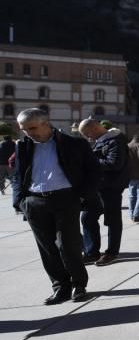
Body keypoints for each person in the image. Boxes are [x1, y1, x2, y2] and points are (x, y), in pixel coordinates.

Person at [12, 108, 100, 304]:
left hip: (65, 199)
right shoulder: (23, 146)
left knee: (68, 246)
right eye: (23, 129)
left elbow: (94, 171)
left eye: (32, 128)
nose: (27, 132)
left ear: (46, 123)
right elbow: (18, 175)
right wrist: (20, 201)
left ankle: (78, 284)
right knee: (47, 248)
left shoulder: (74, 144)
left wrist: (81, 196)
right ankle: (61, 287)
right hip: (34, 202)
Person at [78, 118, 129, 266]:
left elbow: (114, 163)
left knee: (112, 221)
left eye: (87, 134)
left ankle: (112, 253)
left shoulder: (116, 141)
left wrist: (89, 161)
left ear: (94, 129)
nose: (88, 138)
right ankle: (91, 252)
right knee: (87, 217)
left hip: (110, 187)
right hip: (97, 187)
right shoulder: (102, 140)